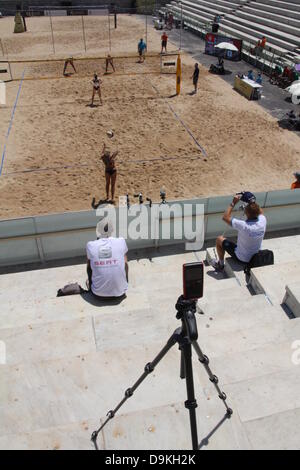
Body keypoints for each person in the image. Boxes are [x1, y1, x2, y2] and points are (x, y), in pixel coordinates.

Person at [210, 192, 267, 271]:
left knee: (219, 239)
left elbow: (225, 217)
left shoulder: (243, 226)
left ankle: (220, 264)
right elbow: (259, 211)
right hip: (256, 256)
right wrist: (252, 201)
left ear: (246, 213)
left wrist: (233, 203)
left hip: (242, 258)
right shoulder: (263, 220)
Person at [86, 219, 128, 300]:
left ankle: (90, 284)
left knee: (89, 263)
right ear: (112, 230)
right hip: (120, 293)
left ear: (98, 230)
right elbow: (125, 263)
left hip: (98, 295)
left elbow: (89, 265)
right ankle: (123, 283)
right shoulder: (121, 241)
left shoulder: (90, 245)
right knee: (124, 260)